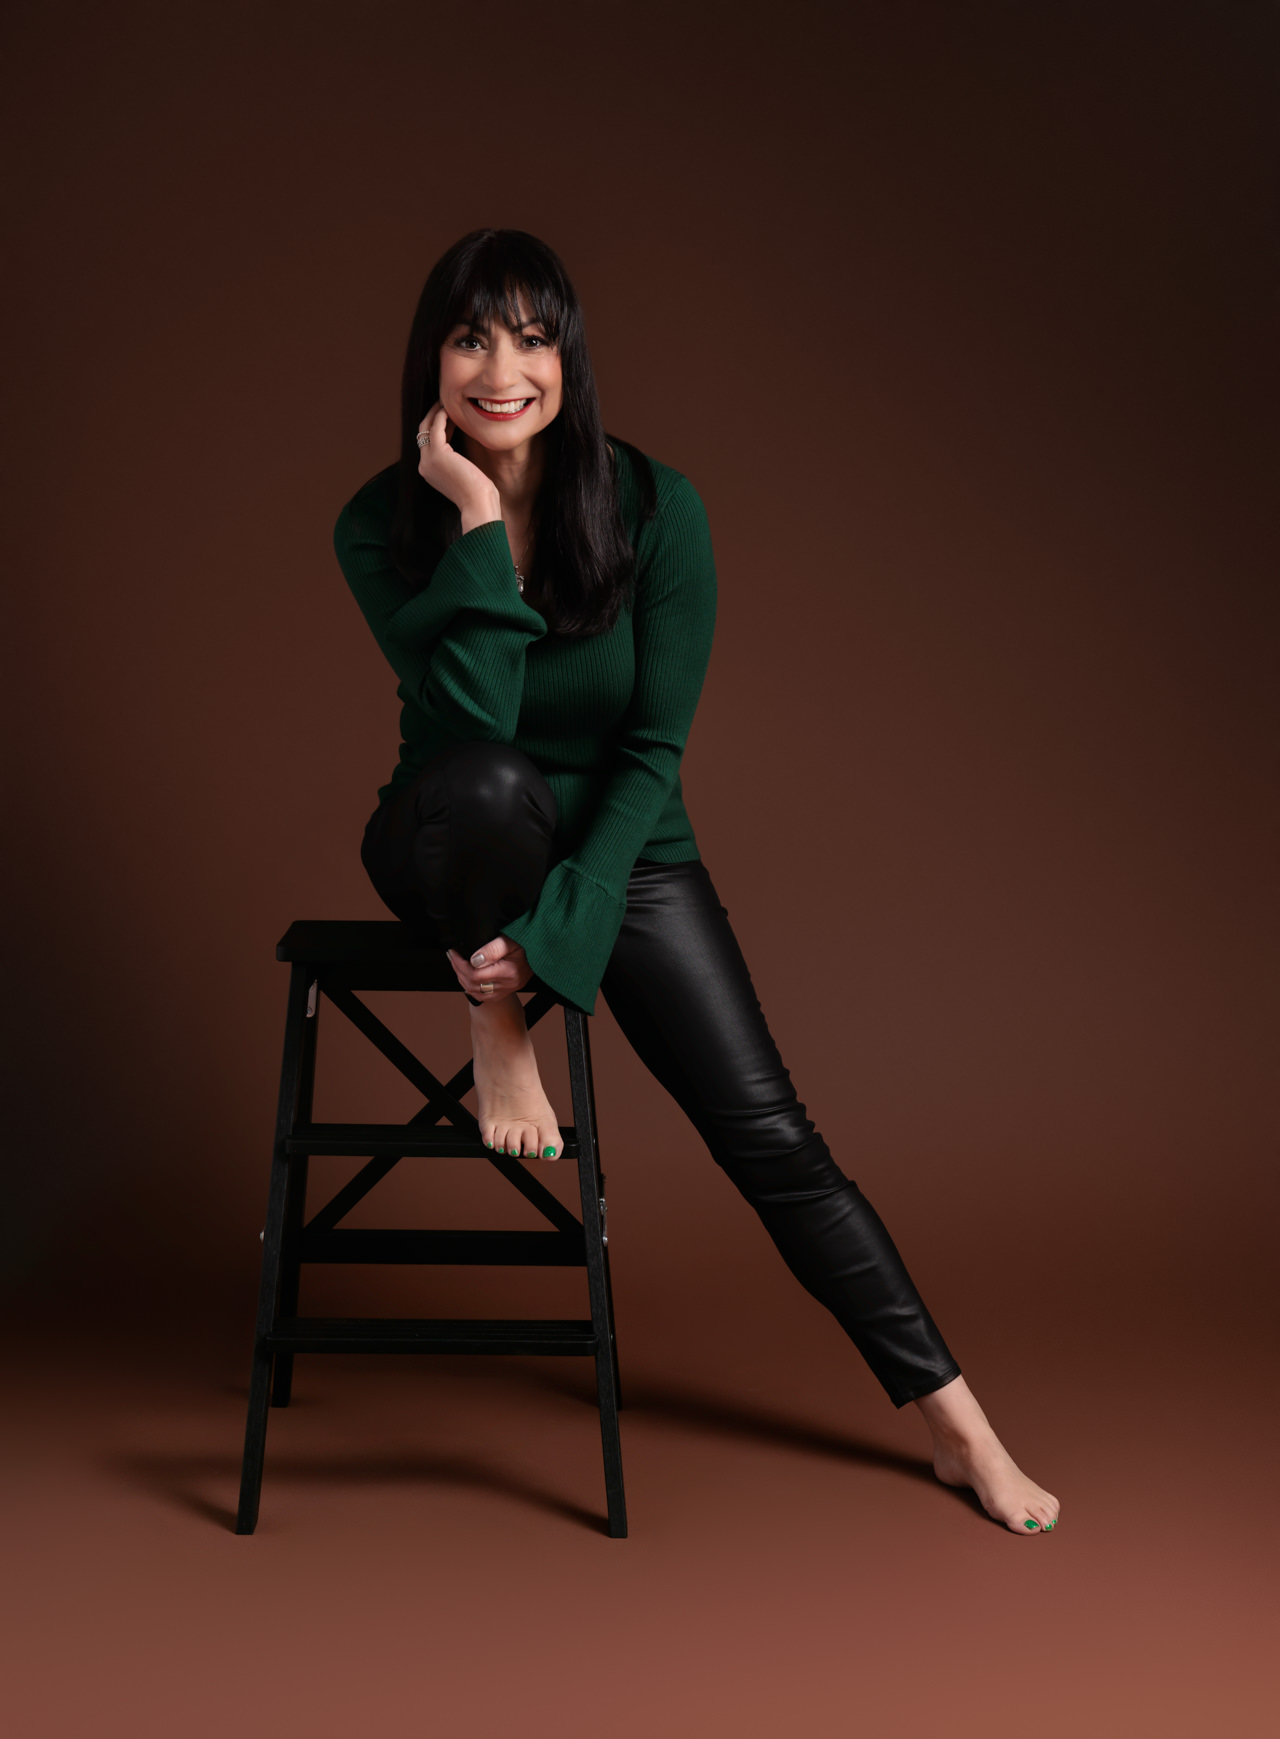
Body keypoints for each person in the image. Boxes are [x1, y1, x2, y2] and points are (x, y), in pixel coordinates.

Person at [334, 227, 1061, 1537]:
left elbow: (651, 753)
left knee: (774, 1139)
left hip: (624, 842)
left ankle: (961, 1430)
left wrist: (567, 929)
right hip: (450, 830)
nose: (501, 371)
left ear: (570, 358)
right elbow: (472, 726)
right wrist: (479, 524)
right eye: (470, 339)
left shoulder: (659, 510)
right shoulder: (379, 524)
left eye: (532, 339)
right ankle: (496, 1027)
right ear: (429, 362)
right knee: (492, 785)